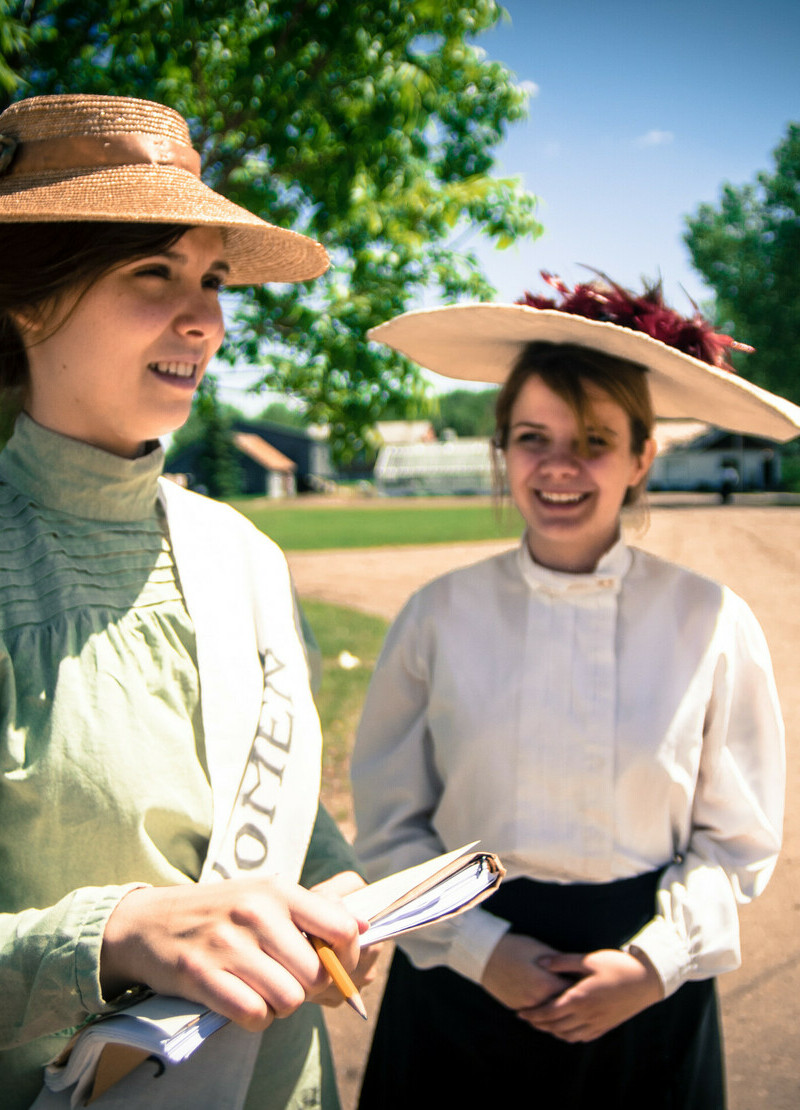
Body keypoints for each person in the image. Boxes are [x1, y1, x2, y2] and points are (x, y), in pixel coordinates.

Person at [0, 93, 374, 1110]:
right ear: (27, 301)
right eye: (152, 273)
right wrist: (116, 936)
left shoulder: (243, 554)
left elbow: (291, 820)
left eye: (211, 279)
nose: (204, 318)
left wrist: (338, 897)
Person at [351, 275, 800, 1109]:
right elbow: (387, 826)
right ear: (503, 450)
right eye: (533, 437)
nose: (559, 466)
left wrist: (656, 961)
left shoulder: (710, 620)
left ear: (641, 457)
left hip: (643, 987)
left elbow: (735, 841)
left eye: (594, 440)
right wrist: (480, 949)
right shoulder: (437, 617)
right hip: (461, 986)